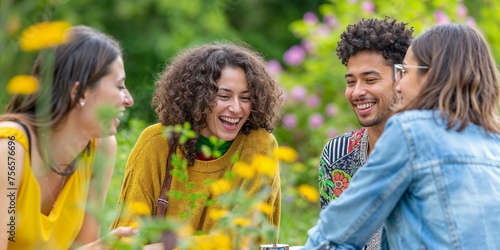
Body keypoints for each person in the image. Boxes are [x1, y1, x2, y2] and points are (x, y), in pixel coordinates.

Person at [304, 23, 500, 249]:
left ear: (431, 76)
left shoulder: (411, 132)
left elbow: (334, 234)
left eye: (405, 72)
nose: (399, 86)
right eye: (350, 81)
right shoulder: (493, 139)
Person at [111, 42, 283, 244]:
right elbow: (126, 235)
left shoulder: (260, 145)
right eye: (224, 96)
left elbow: (245, 239)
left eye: (245, 98)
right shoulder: (156, 142)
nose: (236, 108)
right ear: (197, 96)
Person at [0, 25, 136, 250]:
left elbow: (83, 245)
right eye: (119, 86)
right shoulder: (11, 149)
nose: (128, 99)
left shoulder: (101, 148)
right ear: (79, 92)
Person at [317, 17, 413, 249]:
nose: (358, 92)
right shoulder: (337, 155)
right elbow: (332, 238)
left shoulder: (427, 149)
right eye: (351, 82)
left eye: (370, 79)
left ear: (400, 78)